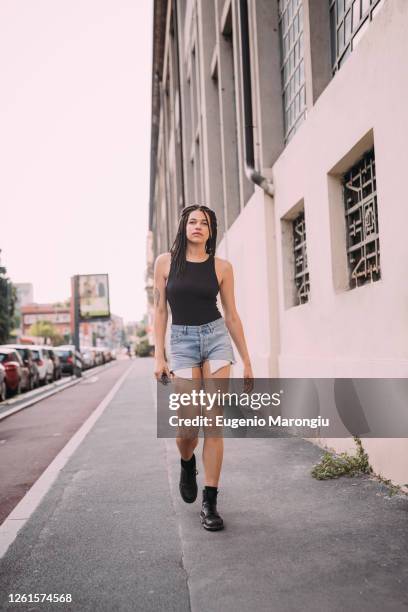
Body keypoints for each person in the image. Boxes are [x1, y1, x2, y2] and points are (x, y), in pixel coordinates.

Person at [153, 204, 253, 531]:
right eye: (193, 221)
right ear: (184, 227)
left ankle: (210, 502)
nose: (198, 226)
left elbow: (232, 315)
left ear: (211, 231)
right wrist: (159, 355)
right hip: (181, 342)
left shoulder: (222, 267)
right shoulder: (165, 263)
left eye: (204, 223)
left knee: (213, 422)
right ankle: (186, 461)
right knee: (187, 428)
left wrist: (248, 361)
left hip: (215, 338)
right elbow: (160, 312)